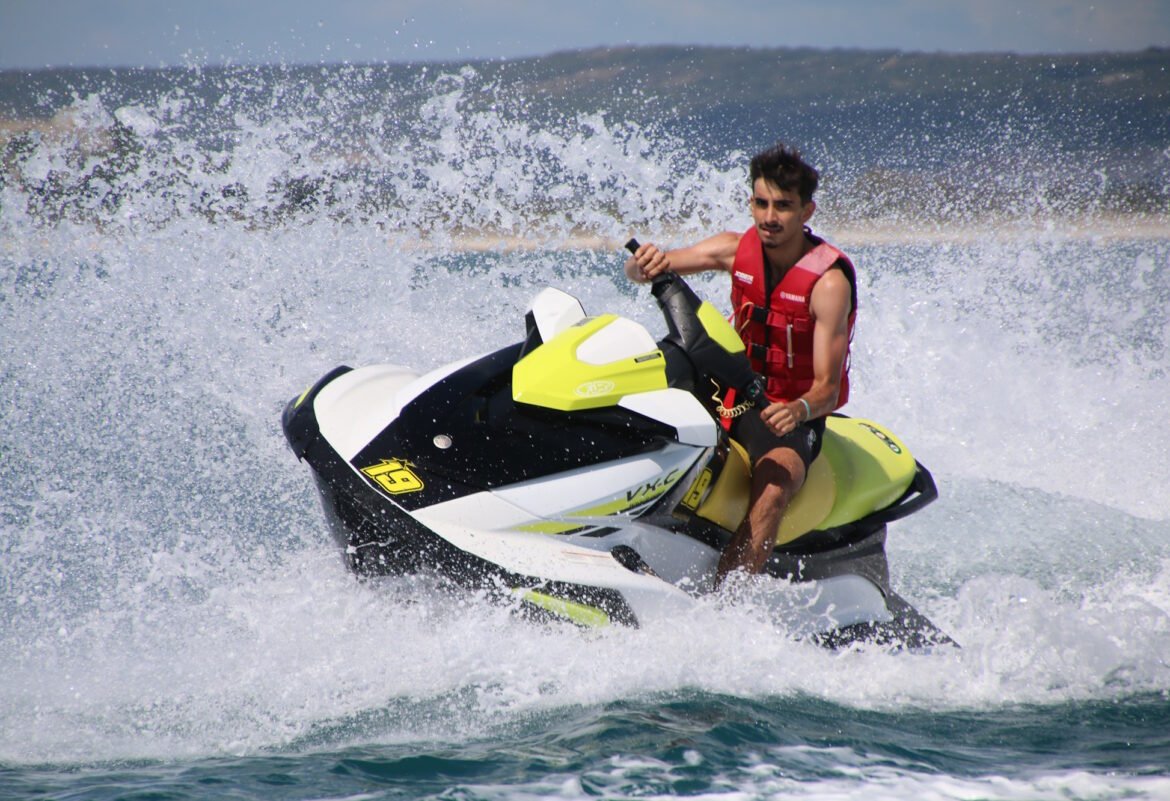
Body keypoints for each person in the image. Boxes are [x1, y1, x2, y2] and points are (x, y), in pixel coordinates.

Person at [624, 143, 857, 585]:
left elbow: (827, 388)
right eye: (762, 203)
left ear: (807, 211)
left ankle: (727, 601)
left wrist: (798, 411)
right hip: (726, 388)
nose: (770, 217)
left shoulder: (828, 284)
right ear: (751, 203)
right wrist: (640, 267)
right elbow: (649, 270)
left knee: (774, 485)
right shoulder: (733, 250)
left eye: (784, 206)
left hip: (784, 411)